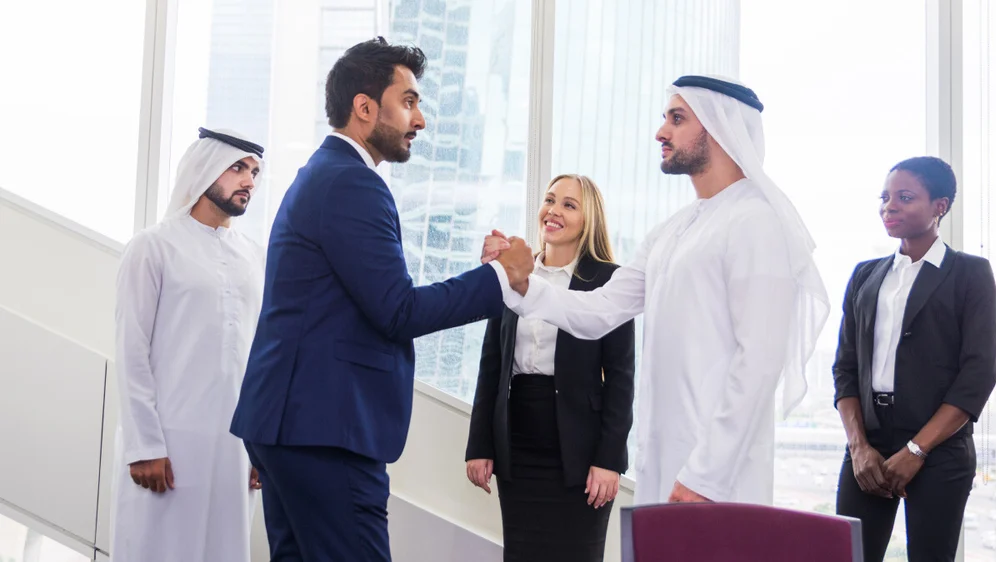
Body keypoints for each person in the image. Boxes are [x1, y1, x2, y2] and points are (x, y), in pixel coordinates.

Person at [229, 37, 525, 561]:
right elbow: (398, 310)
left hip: (293, 424)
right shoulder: (351, 183)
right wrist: (501, 278)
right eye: (408, 102)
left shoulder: (324, 175)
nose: (421, 120)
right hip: (326, 431)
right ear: (364, 108)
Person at [489, 75, 830, 506]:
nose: (660, 132)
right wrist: (524, 283)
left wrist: (706, 476)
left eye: (677, 119)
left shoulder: (756, 222)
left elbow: (759, 362)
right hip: (666, 466)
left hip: (717, 481)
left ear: (719, 128)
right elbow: (599, 311)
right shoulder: (673, 230)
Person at [833, 156, 996, 562]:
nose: (889, 206)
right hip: (868, 445)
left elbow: (979, 372)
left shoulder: (970, 273)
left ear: (940, 206)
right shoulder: (865, 276)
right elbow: (846, 368)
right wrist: (858, 446)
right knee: (850, 555)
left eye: (905, 197)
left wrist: (917, 450)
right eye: (885, 197)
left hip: (939, 449)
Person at [111, 128, 266, 562]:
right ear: (204, 168)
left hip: (236, 448)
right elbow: (131, 351)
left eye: (254, 172)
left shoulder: (256, 256)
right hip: (168, 444)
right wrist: (144, 446)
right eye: (237, 168)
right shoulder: (153, 247)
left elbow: (261, 356)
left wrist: (262, 446)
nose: (249, 181)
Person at [466, 174, 635, 561]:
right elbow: (491, 365)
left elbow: (622, 378)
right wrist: (480, 445)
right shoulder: (513, 273)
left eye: (569, 205)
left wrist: (609, 460)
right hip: (519, 445)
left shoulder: (608, 280)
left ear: (588, 219)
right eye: (550, 200)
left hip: (582, 452)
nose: (554, 211)